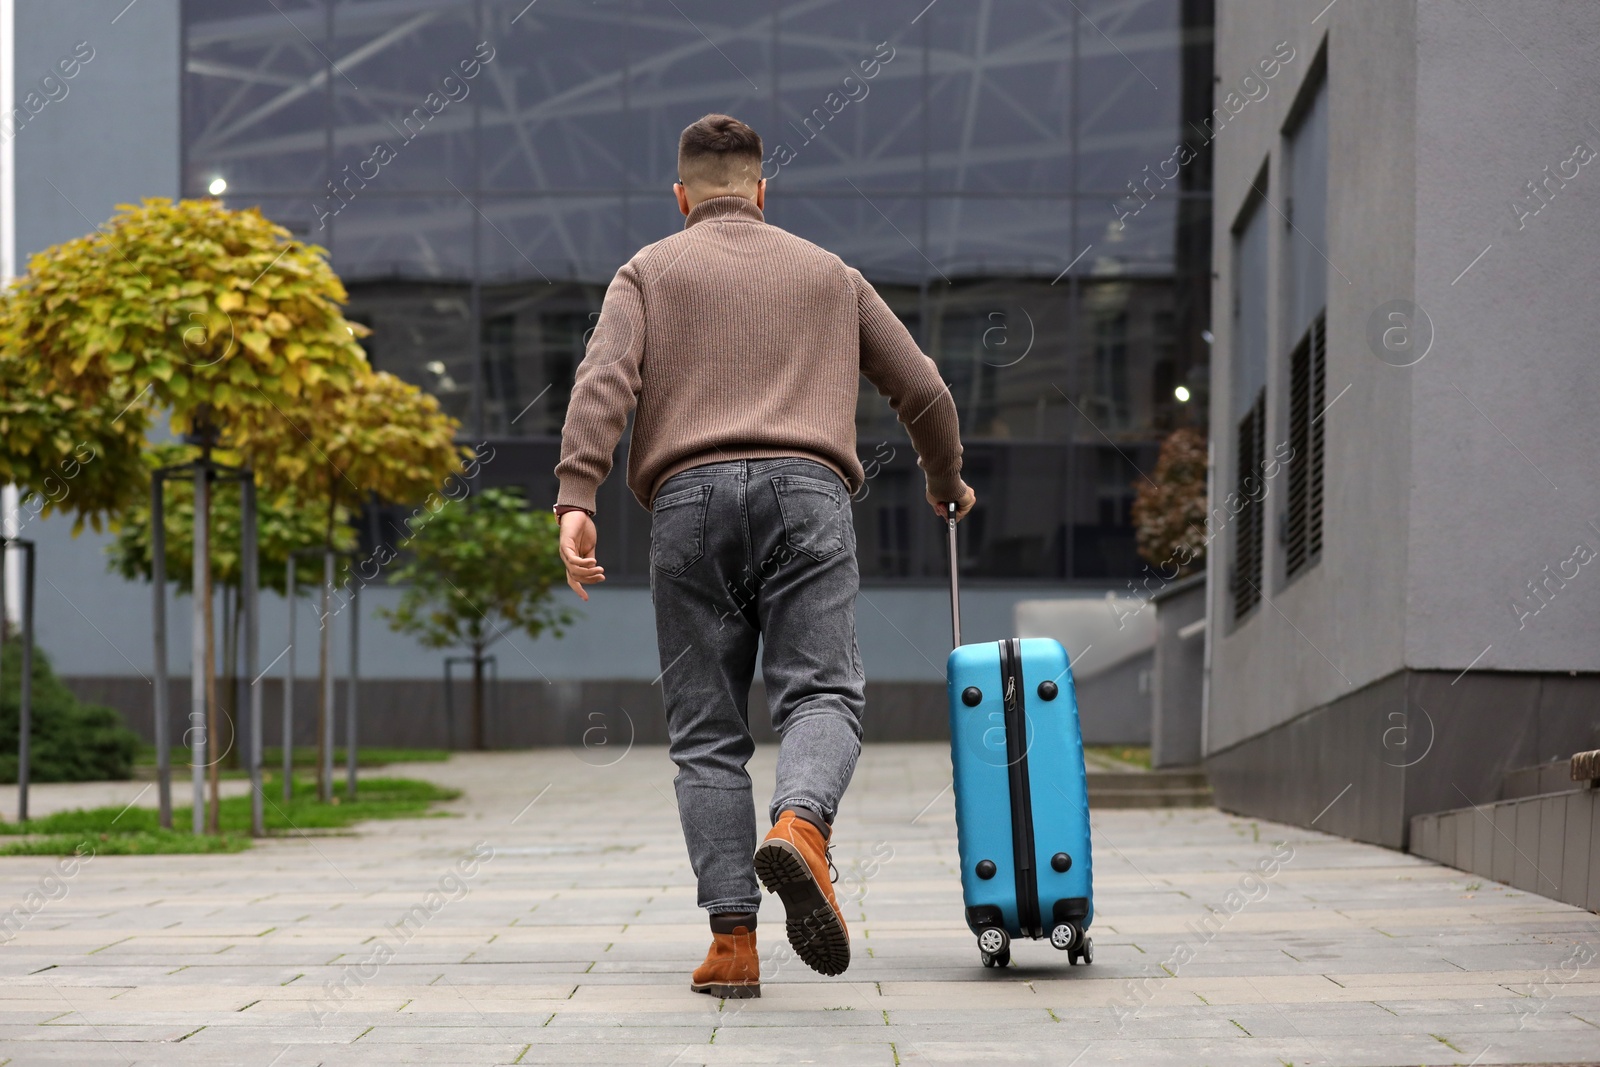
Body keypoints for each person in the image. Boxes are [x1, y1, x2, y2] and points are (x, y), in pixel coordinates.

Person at [554, 113, 974, 999]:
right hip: (807, 494)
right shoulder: (831, 274)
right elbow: (925, 388)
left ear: (681, 197)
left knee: (706, 731)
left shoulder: (647, 271)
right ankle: (802, 826)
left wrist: (577, 494)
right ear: (761, 189)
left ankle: (732, 943)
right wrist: (945, 479)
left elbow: (603, 380)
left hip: (686, 503)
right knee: (821, 691)